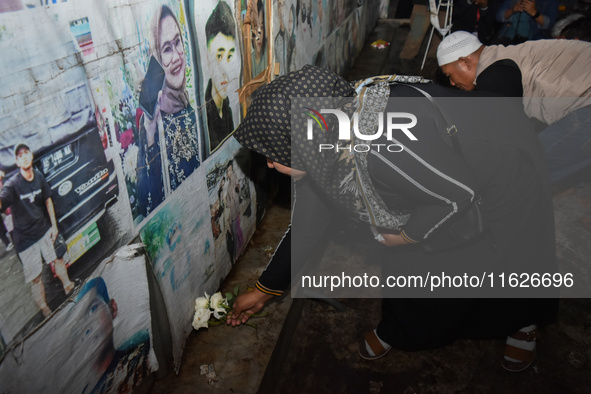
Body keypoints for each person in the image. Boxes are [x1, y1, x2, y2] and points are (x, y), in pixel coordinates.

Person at [227, 66, 558, 372]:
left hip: (503, 166)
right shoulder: (329, 134)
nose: (270, 163)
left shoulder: (382, 145)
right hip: (442, 169)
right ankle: (400, 329)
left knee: (510, 253)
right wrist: (265, 290)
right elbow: (308, 223)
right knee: (409, 264)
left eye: (275, 152)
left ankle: (522, 322)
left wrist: (407, 236)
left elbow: (457, 196)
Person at [436, 31, 591, 184]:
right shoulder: (502, 58)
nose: (452, 83)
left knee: (527, 167)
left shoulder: (493, 74)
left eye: (450, 75)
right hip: (583, 97)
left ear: (465, 62)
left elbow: (505, 133)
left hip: (586, 102)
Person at [136, 4, 201, 219]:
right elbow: (146, 201)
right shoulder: (150, 120)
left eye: (177, 43)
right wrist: (151, 132)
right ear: (156, 57)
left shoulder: (188, 103)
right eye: (166, 49)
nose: (176, 57)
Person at [0, 143, 74, 317]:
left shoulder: (38, 176)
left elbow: (48, 200)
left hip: (43, 229)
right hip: (24, 240)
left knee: (58, 259)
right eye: (20, 155)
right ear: (17, 162)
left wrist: (54, 226)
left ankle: (68, 285)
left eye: (27, 152)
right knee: (36, 278)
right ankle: (45, 309)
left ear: (31, 156)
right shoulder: (12, 184)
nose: (24, 156)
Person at [66, 277, 151, 393]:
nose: (87, 327)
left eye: (93, 309)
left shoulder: (142, 347)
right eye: (78, 328)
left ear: (112, 307)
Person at [205, 0, 238, 153]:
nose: (225, 69)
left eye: (229, 56)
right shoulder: (204, 117)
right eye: (219, 56)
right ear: (208, 60)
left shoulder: (227, 110)